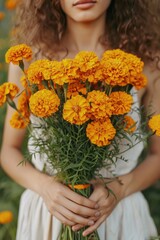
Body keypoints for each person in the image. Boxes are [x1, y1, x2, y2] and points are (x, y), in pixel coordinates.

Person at [1, 0, 160, 239]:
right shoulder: (31, 57)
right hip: (49, 211)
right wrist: (45, 188)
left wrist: (119, 188)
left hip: (119, 213)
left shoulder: (148, 59)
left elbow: (158, 155)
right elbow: (8, 151)